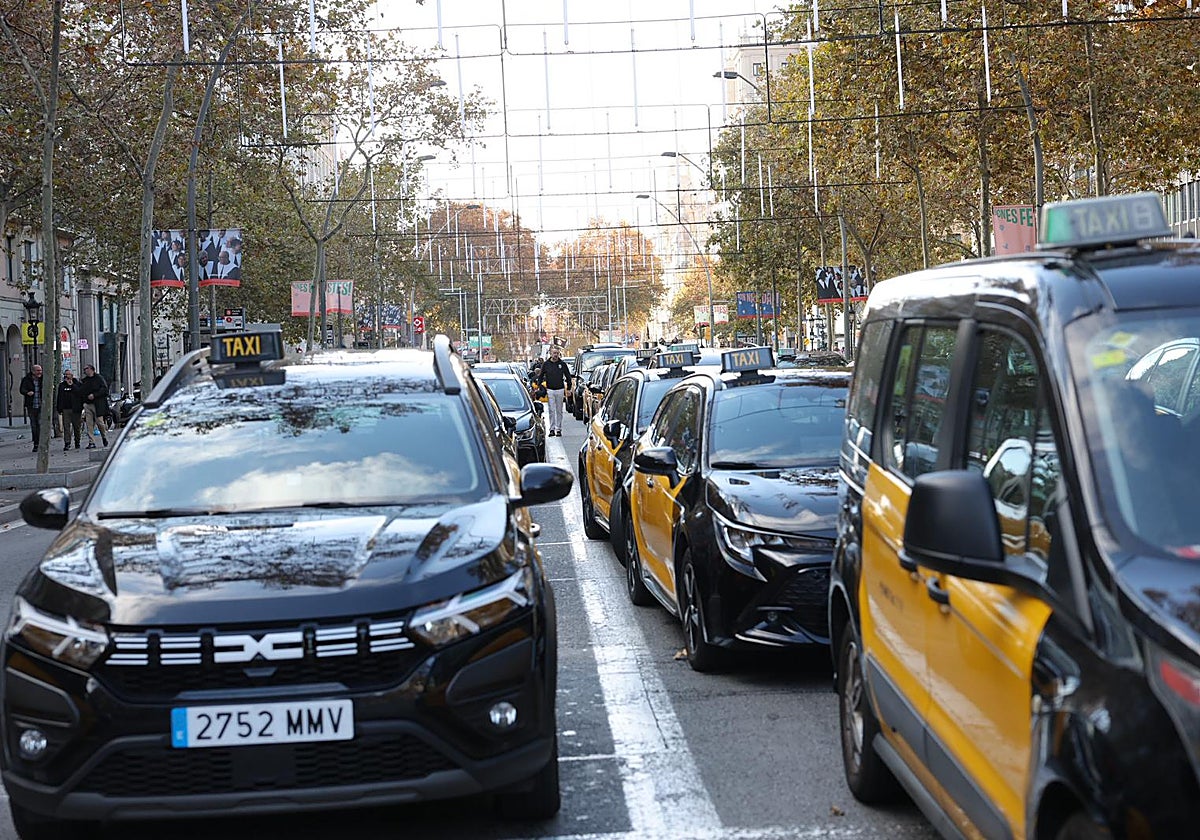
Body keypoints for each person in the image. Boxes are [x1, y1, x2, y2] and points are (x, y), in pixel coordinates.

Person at [539, 347, 572, 437]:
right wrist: (540, 386)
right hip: (550, 389)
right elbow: (541, 376)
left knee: (559, 410)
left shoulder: (562, 364)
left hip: (560, 389)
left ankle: (558, 429)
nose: (556, 355)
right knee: (551, 410)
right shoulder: (546, 364)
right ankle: (552, 429)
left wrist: (569, 388)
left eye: (557, 353)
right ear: (551, 353)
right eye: (554, 353)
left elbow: (568, 376)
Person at [79, 364, 109, 449]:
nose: (85, 370)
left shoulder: (99, 379)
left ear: (92, 369)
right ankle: (91, 441)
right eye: (84, 369)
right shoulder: (84, 381)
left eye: (86, 369)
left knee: (100, 422)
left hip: (97, 404)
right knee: (89, 424)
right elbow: (81, 391)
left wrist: (95, 395)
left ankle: (104, 436)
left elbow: (104, 390)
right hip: (88, 404)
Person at [18, 364, 44, 452]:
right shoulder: (26, 379)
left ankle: (41, 442)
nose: (40, 372)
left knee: (40, 423)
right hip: (31, 405)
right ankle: (36, 443)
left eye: (40, 370)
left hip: (41, 405)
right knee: (34, 424)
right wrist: (27, 392)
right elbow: (22, 389)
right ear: (33, 371)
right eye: (38, 371)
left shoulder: (43, 379)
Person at [56, 370, 84, 451]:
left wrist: (72, 385)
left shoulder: (77, 384)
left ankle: (77, 441)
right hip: (65, 408)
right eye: (65, 375)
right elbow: (60, 397)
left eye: (68, 375)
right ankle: (67, 442)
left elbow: (79, 393)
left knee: (76, 426)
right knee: (66, 426)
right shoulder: (62, 385)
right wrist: (59, 408)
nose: (67, 377)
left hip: (75, 409)